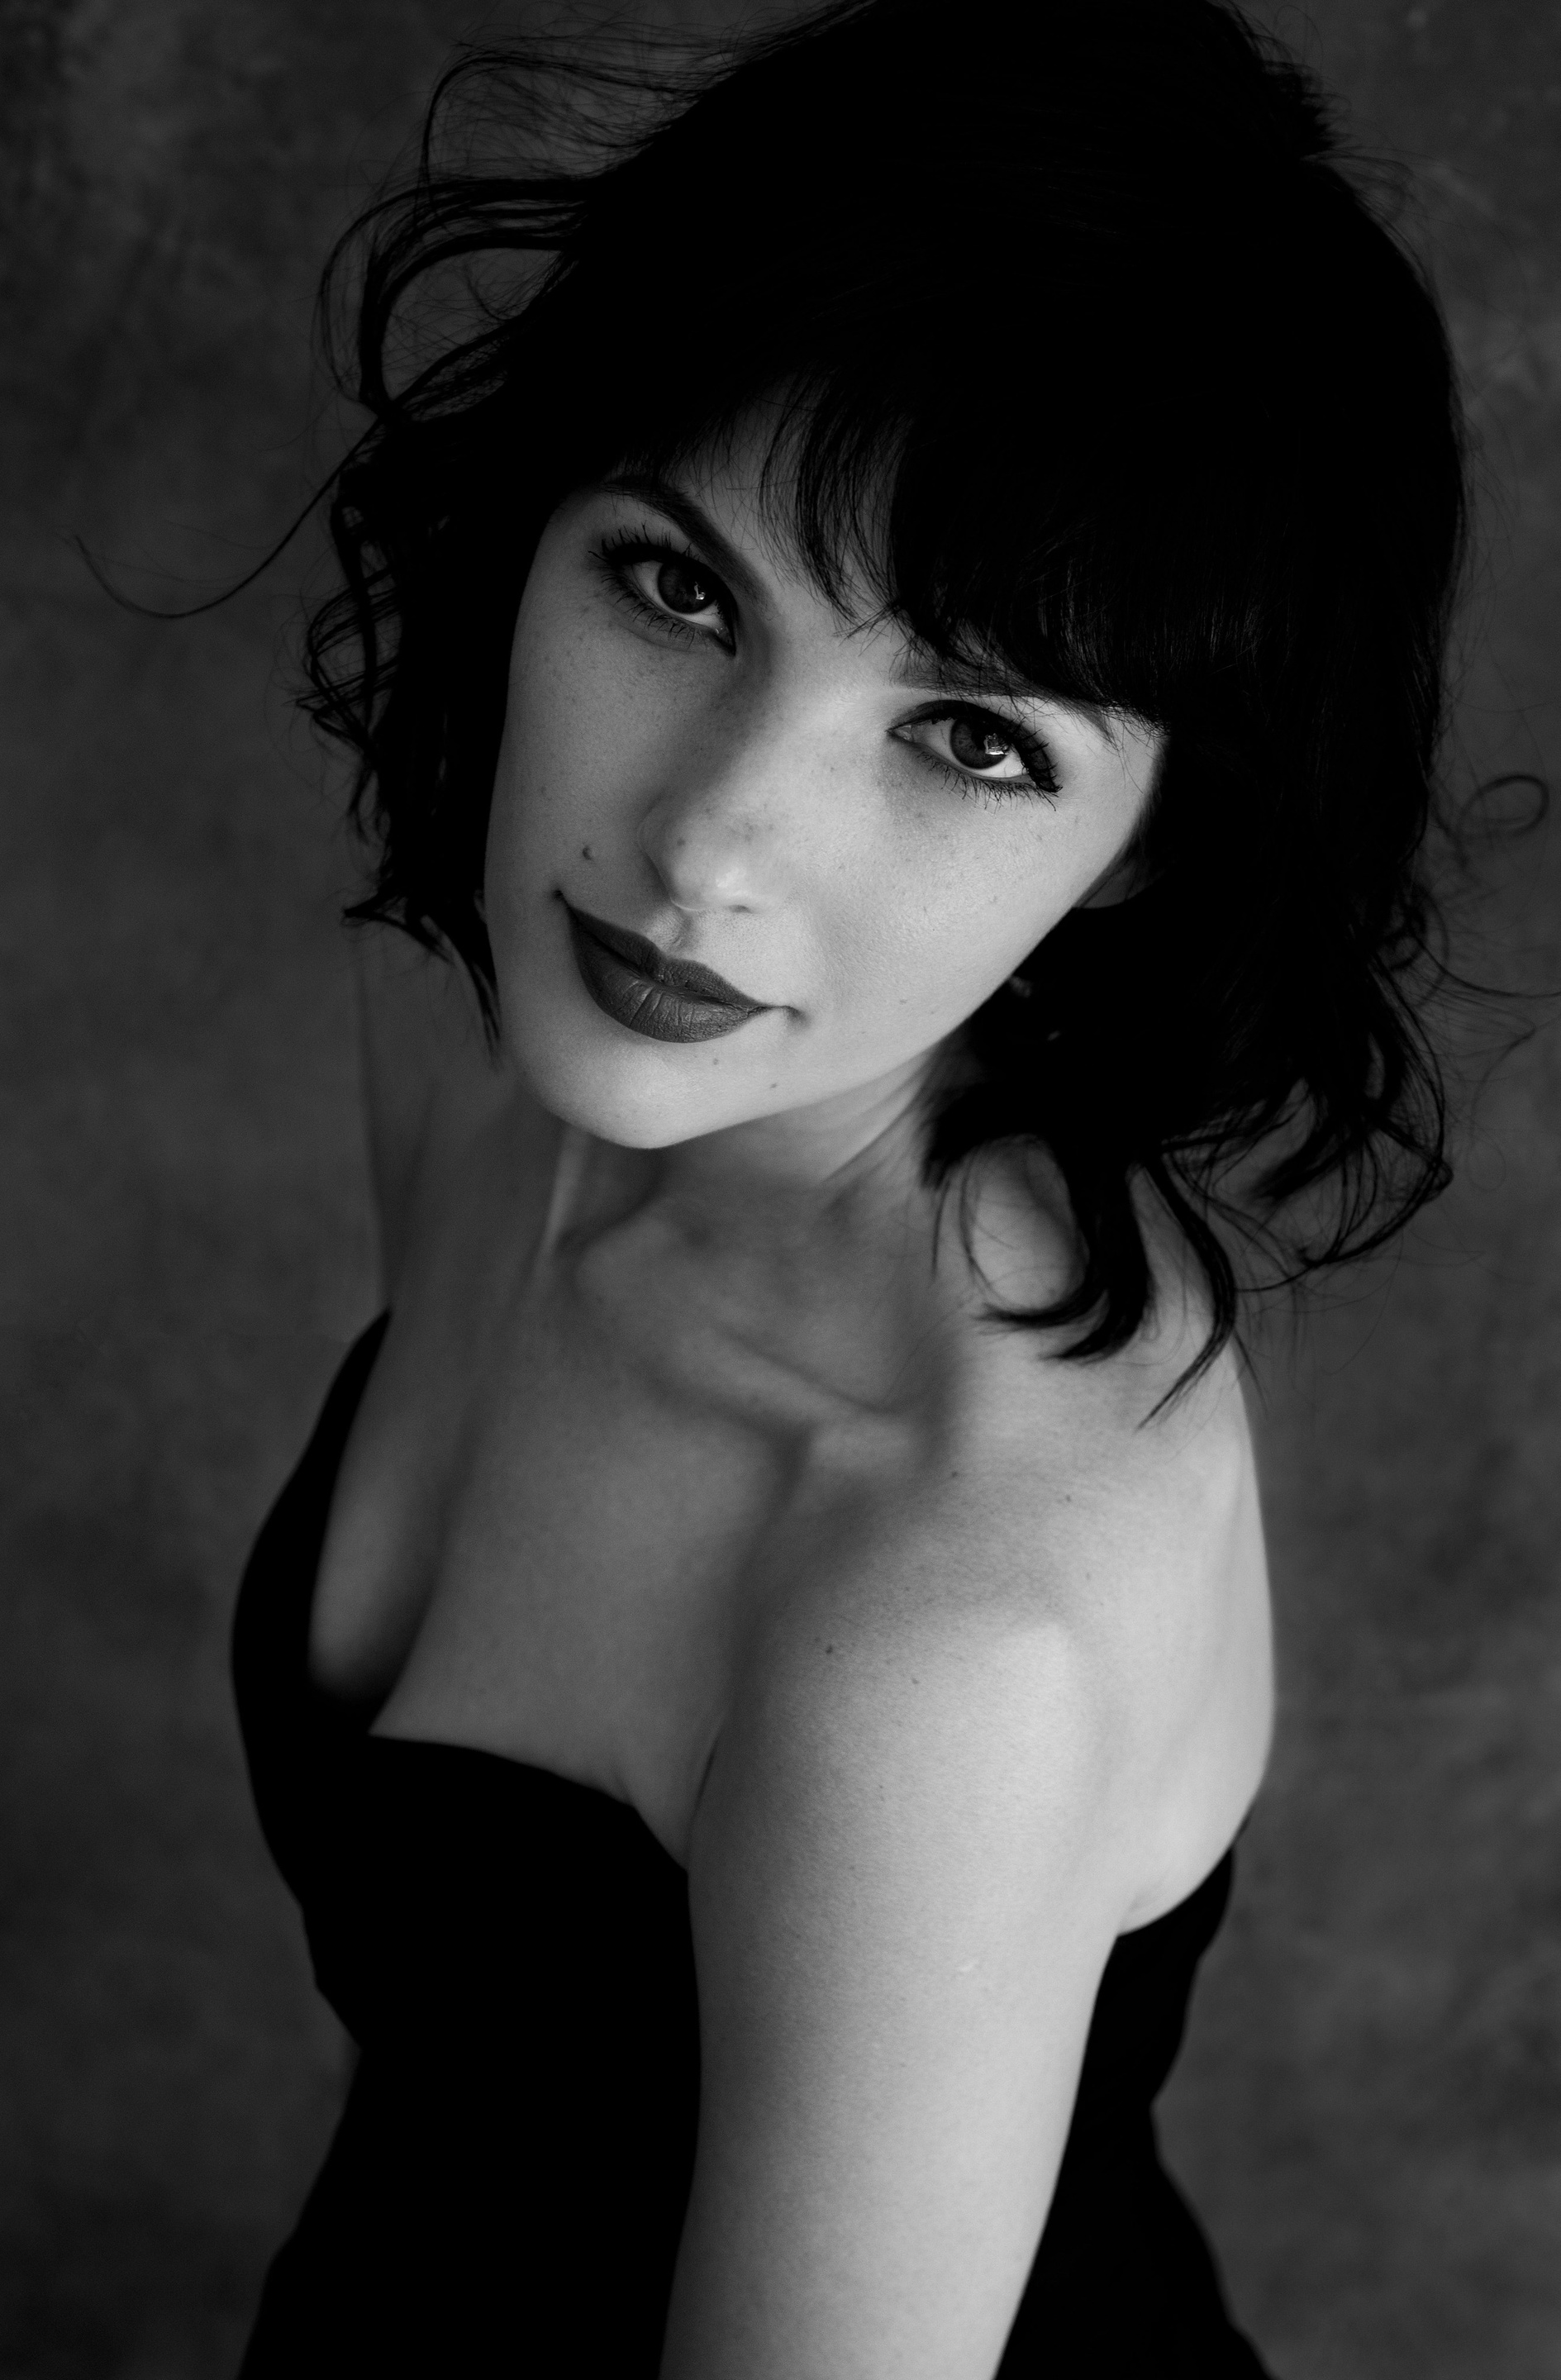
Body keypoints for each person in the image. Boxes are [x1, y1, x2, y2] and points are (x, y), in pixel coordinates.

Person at [230, 0, 1468, 2369]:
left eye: (971, 740)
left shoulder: (942, 1656)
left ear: (1152, 842)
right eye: (679, 589)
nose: (710, 845)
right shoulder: (490, 1064)